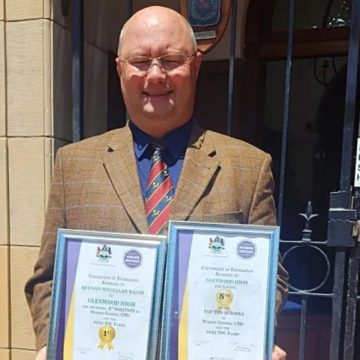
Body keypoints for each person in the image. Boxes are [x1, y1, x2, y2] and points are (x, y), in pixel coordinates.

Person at [25, 6, 288, 360]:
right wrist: (49, 342)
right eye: (140, 61)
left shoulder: (249, 166)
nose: (155, 75)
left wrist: (253, 335)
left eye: (169, 59)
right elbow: (47, 277)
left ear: (194, 66)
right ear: (120, 69)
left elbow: (271, 276)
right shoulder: (74, 166)